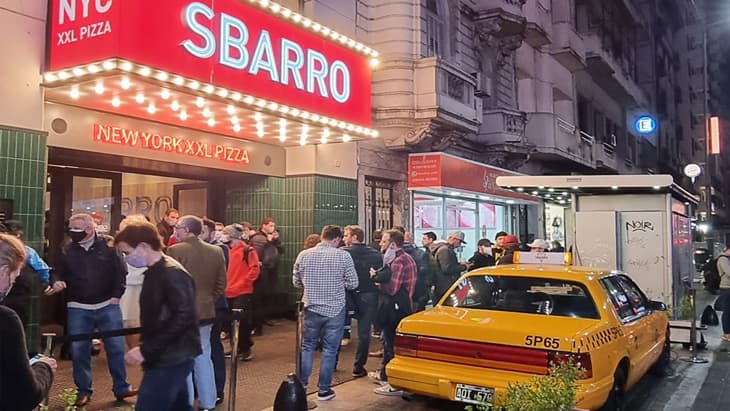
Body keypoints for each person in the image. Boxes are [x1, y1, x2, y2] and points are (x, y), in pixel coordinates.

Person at [51, 213, 135, 407]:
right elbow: (56, 271)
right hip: (78, 306)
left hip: (108, 304)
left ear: (89, 229)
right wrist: (56, 281)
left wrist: (117, 295)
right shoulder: (66, 249)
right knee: (79, 350)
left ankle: (122, 388)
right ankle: (83, 390)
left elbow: (120, 271)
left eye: (76, 228)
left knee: (115, 347)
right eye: (70, 228)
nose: (71, 232)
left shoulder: (109, 246)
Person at [115, 222, 201, 411]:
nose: (126, 258)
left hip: (171, 356)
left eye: (127, 252)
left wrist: (146, 349)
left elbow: (184, 316)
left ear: (144, 246)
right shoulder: (157, 272)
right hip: (169, 354)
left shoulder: (171, 273)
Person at [166, 215, 227, 411]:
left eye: (177, 227)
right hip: (207, 310)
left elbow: (170, 283)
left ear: (185, 229)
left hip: (181, 312)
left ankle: (187, 401)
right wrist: (208, 299)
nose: (175, 230)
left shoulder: (175, 250)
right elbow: (221, 284)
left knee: (183, 358)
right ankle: (208, 401)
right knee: (204, 356)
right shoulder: (216, 251)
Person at [293, 225, 358, 402]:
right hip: (335, 310)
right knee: (330, 350)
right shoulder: (343, 255)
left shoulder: (304, 255)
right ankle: (324, 390)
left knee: (307, 347)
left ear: (323, 237)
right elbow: (353, 283)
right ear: (336, 239)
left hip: (311, 308)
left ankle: (302, 387)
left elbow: (296, 282)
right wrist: (339, 283)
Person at [0, 233, 57, 411]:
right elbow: (24, 396)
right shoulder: (6, 320)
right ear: (3, 272)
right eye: (14, 278)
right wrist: (44, 368)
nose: (11, 285)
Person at [371, 229, 416, 396]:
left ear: (392, 244)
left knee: (391, 344)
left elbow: (392, 289)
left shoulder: (398, 261)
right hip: (402, 307)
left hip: (394, 309)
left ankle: (393, 382)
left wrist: (376, 279)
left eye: (383, 241)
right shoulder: (407, 258)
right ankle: (385, 375)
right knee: (391, 343)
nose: (381, 244)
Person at [0, 220, 52, 353]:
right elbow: (43, 269)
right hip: (17, 299)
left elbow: (43, 270)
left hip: (18, 299)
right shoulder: (25, 251)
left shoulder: (26, 251)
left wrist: (45, 284)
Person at [341, 225, 383, 377]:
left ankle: (332, 364)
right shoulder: (375, 254)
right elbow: (379, 274)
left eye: (346, 235)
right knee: (364, 333)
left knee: (336, 329)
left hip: (348, 295)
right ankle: (359, 366)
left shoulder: (342, 253)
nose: (343, 239)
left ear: (354, 237)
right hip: (369, 294)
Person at [200, 218, 229, 405]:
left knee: (213, 347)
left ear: (211, 232)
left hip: (214, 305)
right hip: (197, 307)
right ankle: (201, 387)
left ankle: (217, 388)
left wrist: (211, 298)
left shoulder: (220, 249)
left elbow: (220, 280)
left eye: (202, 231)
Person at [222, 224, 260, 361]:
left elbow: (254, 270)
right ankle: (235, 346)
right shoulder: (226, 250)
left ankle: (245, 348)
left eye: (225, 233)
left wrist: (243, 283)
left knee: (242, 322)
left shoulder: (247, 250)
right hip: (228, 291)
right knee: (230, 322)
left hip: (242, 291)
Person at [249, 217, 284, 334]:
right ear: (264, 225)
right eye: (270, 225)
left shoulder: (271, 238)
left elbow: (281, 250)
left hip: (270, 270)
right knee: (258, 298)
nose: (272, 228)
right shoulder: (259, 238)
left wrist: (276, 241)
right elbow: (257, 254)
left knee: (266, 296)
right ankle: (257, 325)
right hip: (262, 271)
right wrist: (269, 241)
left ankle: (262, 319)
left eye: (273, 226)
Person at [430, 231, 471, 302]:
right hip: (445, 287)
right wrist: (464, 267)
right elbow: (447, 268)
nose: (459, 245)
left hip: (443, 286)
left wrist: (459, 264)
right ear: (453, 239)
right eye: (459, 242)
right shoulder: (445, 250)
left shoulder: (444, 249)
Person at [403, 231, 430, 312]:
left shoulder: (394, 254)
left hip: (401, 292)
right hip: (417, 291)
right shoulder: (421, 254)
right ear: (411, 239)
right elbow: (424, 271)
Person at [717, 246, 730, 341]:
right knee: (727, 311)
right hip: (726, 288)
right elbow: (729, 273)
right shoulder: (723, 259)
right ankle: (726, 333)